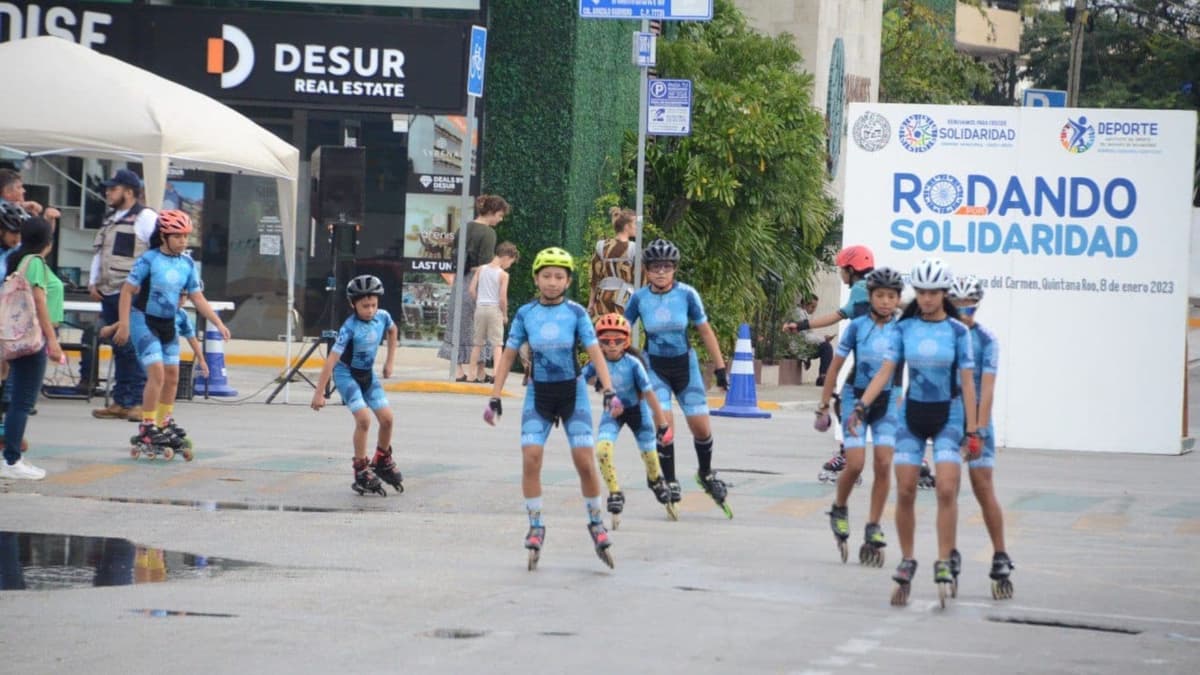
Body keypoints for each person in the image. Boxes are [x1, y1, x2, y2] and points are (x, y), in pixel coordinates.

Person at [849, 257, 981, 607]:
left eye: (933, 292)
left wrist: (973, 430)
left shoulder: (958, 332)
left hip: (948, 414)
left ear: (944, 293)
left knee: (946, 489)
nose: (926, 298)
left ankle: (944, 558)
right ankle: (908, 560)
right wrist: (861, 405)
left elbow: (968, 384)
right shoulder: (903, 328)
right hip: (911, 416)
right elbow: (886, 372)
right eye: (921, 292)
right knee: (906, 489)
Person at [482, 247, 623, 570]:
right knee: (531, 458)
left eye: (559, 277)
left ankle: (596, 523)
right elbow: (508, 355)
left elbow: (595, 352)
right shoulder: (525, 314)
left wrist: (609, 390)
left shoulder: (576, 313)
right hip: (539, 394)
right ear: (536, 279)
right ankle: (536, 525)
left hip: (572, 392)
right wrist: (494, 395)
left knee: (584, 461)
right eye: (546, 276)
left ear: (568, 281)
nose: (552, 282)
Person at [624, 239, 732, 517]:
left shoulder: (687, 294)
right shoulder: (639, 298)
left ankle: (706, 473)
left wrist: (720, 368)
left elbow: (705, 330)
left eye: (667, 267)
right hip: (654, 367)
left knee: (701, 429)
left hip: (686, 366)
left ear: (674, 269)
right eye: (655, 267)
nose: (661, 272)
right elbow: (621, 331)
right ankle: (670, 479)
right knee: (665, 425)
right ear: (646, 270)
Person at [115, 210, 228, 461]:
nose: (183, 241)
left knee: (173, 376)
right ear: (164, 236)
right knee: (157, 373)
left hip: (168, 323)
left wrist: (218, 322)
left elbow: (197, 297)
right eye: (177, 236)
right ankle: (147, 426)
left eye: (186, 236)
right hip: (143, 320)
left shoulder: (187, 264)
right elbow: (127, 291)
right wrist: (123, 324)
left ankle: (163, 422)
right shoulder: (149, 259)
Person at [815, 268, 904, 566]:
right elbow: (835, 368)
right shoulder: (857, 327)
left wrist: (902, 400)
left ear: (898, 299)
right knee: (854, 464)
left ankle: (873, 525)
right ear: (870, 297)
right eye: (880, 295)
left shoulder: (902, 329)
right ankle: (839, 507)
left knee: (884, 463)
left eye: (891, 296)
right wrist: (824, 404)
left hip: (887, 401)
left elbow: (901, 371)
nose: (885, 302)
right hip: (854, 398)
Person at [785, 245, 875, 484]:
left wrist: (800, 326)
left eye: (841, 269)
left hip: (867, 363)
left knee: (846, 405)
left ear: (851, 270)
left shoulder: (860, 289)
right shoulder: (873, 287)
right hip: (879, 362)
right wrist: (801, 326)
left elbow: (836, 316)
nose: (840, 273)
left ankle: (847, 458)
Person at [948, 275, 1014, 599]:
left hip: (978, 421)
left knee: (983, 487)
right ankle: (949, 551)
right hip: (949, 420)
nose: (964, 309)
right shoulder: (943, 335)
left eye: (969, 304)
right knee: (947, 489)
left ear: (977, 304)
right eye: (958, 303)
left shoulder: (987, 340)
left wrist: (979, 431)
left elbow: (987, 390)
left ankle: (1000, 554)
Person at [582, 313, 677, 528]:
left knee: (650, 456)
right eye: (606, 341)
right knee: (602, 451)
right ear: (599, 343)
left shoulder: (633, 364)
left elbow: (650, 394)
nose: (612, 345)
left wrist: (663, 425)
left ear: (626, 342)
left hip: (637, 413)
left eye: (618, 340)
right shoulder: (596, 363)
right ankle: (615, 492)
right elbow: (577, 381)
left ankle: (655, 480)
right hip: (612, 414)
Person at [311, 274, 401, 496]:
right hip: (346, 374)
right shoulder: (349, 327)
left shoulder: (383, 317)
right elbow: (331, 360)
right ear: (353, 304)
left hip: (367, 374)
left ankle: (382, 459)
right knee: (364, 420)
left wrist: (390, 361)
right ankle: (360, 468)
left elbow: (393, 330)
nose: (370, 310)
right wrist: (319, 393)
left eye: (374, 305)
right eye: (365, 306)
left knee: (388, 419)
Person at [90, 169, 156, 421]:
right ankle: (122, 400)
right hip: (109, 291)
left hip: (130, 293)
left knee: (133, 347)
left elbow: (158, 251)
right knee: (119, 348)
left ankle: (139, 401)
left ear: (129, 192)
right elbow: (100, 253)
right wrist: (93, 281)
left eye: (113, 189)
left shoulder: (146, 217)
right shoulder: (111, 218)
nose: (108, 192)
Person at [1, 217, 64, 480]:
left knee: (18, 400)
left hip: (20, 336)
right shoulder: (35, 262)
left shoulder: (19, 259)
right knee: (23, 402)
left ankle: (11, 456)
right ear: (47, 241)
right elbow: (39, 302)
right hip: (32, 338)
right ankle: (11, 460)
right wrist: (53, 341)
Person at [439, 194, 510, 381]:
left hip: (460, 280)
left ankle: (459, 370)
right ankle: (479, 371)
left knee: (459, 323)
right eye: (500, 215)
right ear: (492, 212)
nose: (500, 219)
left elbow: (455, 255)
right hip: (478, 281)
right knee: (480, 327)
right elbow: (485, 264)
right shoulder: (488, 233)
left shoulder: (463, 228)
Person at [466, 241, 518, 383]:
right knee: (497, 344)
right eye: (511, 262)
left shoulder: (481, 269)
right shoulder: (503, 275)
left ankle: (471, 375)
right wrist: (505, 314)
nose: (509, 265)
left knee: (477, 344)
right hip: (494, 309)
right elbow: (502, 298)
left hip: (480, 308)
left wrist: (479, 300)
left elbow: (471, 290)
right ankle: (496, 374)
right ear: (507, 257)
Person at [587, 206, 641, 318]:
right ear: (627, 226)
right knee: (622, 328)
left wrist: (591, 303)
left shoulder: (601, 246)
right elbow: (641, 279)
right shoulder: (634, 248)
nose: (637, 227)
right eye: (635, 224)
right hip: (624, 302)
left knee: (603, 327)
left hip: (602, 300)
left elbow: (594, 278)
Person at [795, 296, 834, 386]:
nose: (814, 310)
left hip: (803, 345)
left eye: (815, 307)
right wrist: (823, 339)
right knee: (826, 347)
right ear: (805, 304)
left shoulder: (803, 314)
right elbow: (805, 337)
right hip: (799, 347)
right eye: (812, 307)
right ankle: (823, 377)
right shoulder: (799, 315)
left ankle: (823, 376)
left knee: (825, 346)